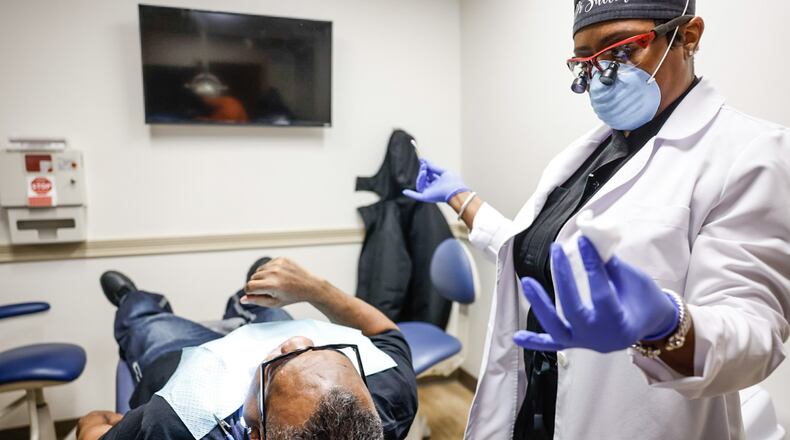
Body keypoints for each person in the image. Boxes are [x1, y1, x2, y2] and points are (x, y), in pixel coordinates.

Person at [404, 1, 790, 439]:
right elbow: (548, 257)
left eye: (621, 51)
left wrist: (666, 327)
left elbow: (754, 334)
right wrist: (462, 199)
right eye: (586, 62)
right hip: (535, 409)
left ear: (688, 37)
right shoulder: (593, 151)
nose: (602, 76)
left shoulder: (750, 152)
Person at [76, 257, 418, 440]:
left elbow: (95, 427)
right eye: (320, 351)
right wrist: (315, 290)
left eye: (279, 364)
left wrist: (119, 422)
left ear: (254, 433)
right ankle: (247, 299)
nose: (298, 342)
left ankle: (134, 300)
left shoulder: (178, 424)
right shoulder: (390, 395)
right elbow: (384, 331)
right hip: (256, 334)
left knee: (150, 325)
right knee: (267, 308)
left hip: (185, 362)